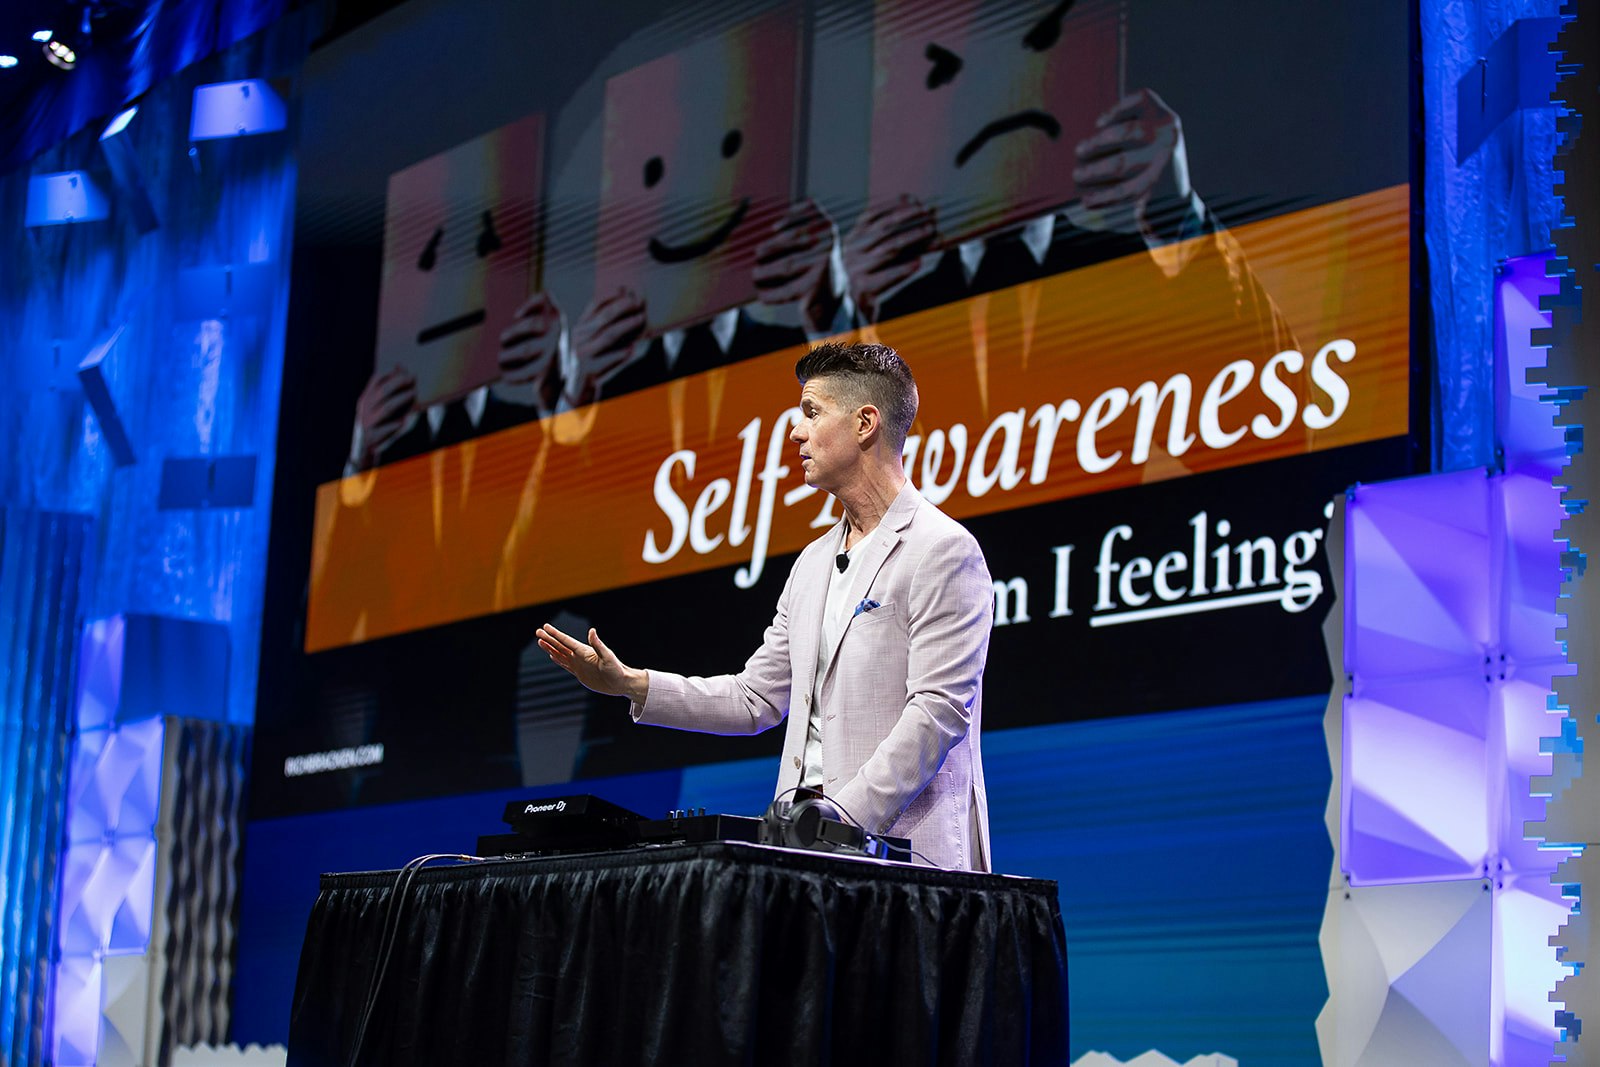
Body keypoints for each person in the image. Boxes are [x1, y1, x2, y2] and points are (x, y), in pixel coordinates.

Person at [537, 341, 994, 871]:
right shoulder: (811, 564)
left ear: (866, 422)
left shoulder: (942, 548)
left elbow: (938, 712)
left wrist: (836, 823)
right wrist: (632, 684)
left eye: (811, 412)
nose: (796, 432)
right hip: (800, 849)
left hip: (903, 855)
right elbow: (756, 699)